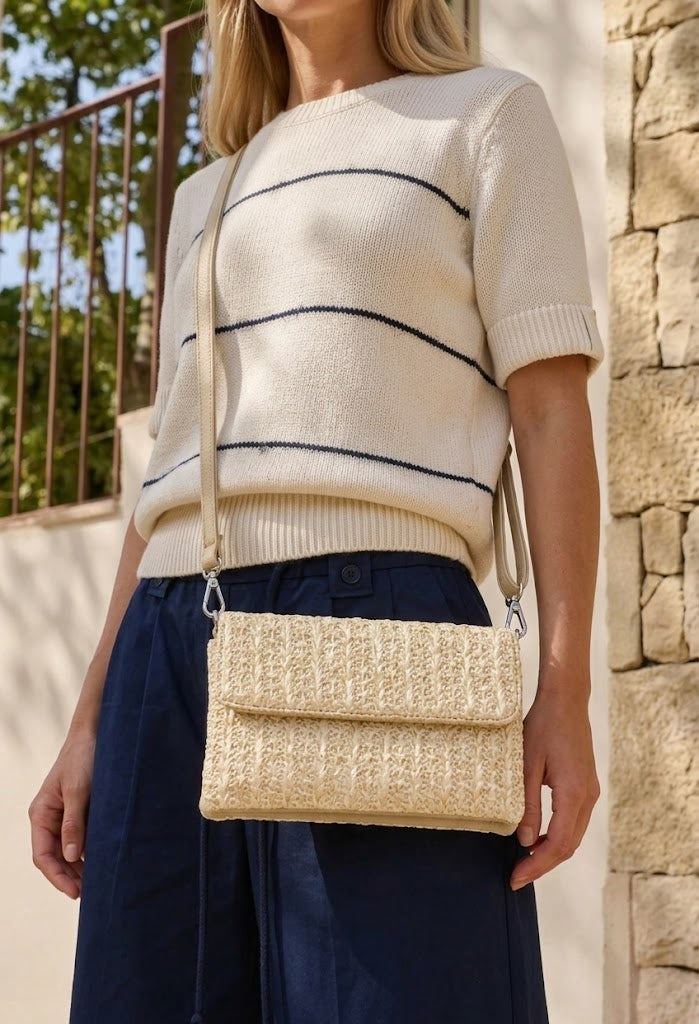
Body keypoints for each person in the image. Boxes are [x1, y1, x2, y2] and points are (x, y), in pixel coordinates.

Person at [28, 0, 604, 1020]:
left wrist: (564, 690)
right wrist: (90, 721)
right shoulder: (205, 192)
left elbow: (550, 411)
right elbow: (167, 477)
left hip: (381, 623)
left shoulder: (486, 116)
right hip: (169, 643)